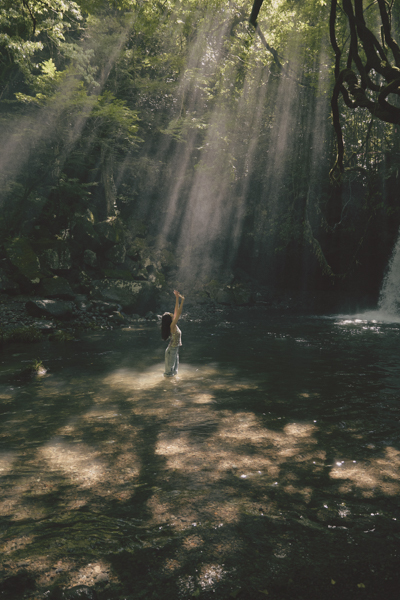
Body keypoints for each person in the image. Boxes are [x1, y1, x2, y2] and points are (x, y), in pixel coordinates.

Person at [161, 290, 184, 377]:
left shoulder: (172, 324)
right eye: (170, 315)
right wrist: (183, 301)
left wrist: (177, 298)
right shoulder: (172, 326)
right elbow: (178, 313)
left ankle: (171, 388)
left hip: (174, 350)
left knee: (174, 373)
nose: (172, 314)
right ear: (169, 319)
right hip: (172, 351)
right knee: (169, 374)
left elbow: (176, 310)